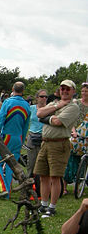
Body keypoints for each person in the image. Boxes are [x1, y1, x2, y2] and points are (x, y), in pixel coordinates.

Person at [34, 80, 80, 218]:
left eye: (68, 89)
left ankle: (52, 207)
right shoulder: (55, 103)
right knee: (43, 175)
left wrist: (46, 118)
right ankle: (43, 204)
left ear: (73, 91)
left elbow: (58, 122)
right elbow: (39, 113)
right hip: (46, 143)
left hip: (59, 144)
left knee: (55, 176)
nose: (65, 91)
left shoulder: (73, 107)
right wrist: (57, 107)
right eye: (62, 88)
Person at [0, 81, 30, 199]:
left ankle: (1, 189)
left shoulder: (8, 102)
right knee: (11, 165)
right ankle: (7, 193)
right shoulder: (27, 106)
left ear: (13, 89)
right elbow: (25, 126)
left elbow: (0, 121)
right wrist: (22, 141)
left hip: (7, 137)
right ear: (23, 91)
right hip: (18, 138)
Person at [25, 89, 47, 178]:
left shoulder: (49, 108)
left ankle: (41, 185)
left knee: (42, 162)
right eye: (42, 96)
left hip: (44, 137)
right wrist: (25, 134)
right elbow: (25, 122)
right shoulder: (31, 108)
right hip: (32, 135)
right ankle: (29, 183)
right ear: (37, 98)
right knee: (31, 162)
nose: (44, 98)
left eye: (46, 97)